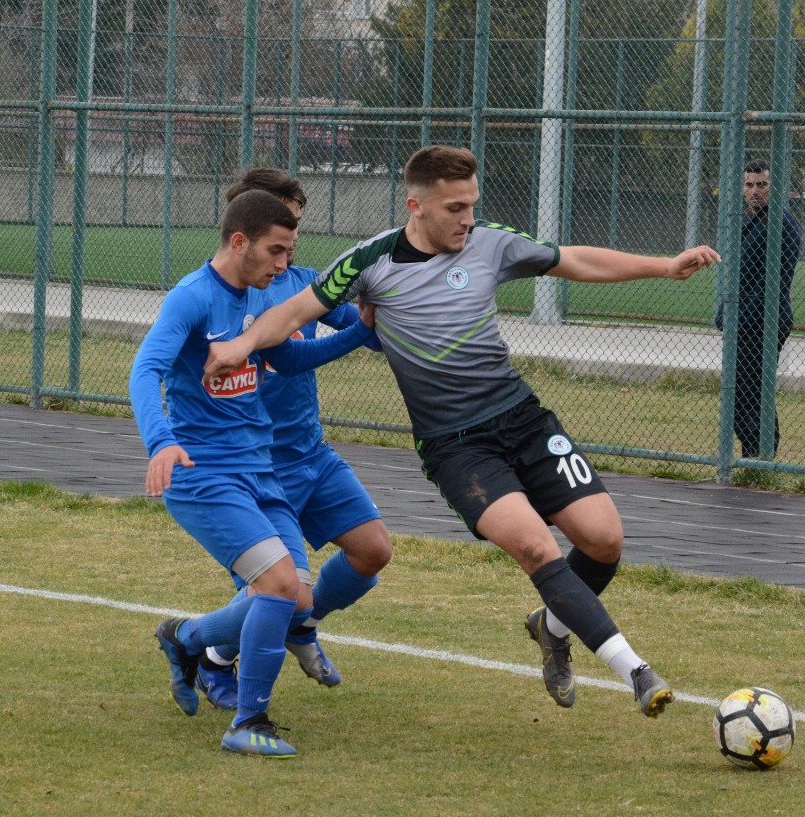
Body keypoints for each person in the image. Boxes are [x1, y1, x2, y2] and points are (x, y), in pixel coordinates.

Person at [206, 146, 721, 718]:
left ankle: (550, 627)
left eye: (472, 205)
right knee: (534, 545)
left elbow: (574, 260)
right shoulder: (370, 261)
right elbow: (295, 312)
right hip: (455, 445)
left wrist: (664, 265)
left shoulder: (491, 243)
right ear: (416, 206)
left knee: (604, 541)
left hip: (523, 420)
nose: (467, 218)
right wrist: (241, 345)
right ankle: (638, 672)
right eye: (455, 207)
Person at [127, 189, 373, 757]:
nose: (284, 264)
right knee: (279, 586)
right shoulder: (191, 299)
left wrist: (363, 330)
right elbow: (146, 370)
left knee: (301, 600)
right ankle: (246, 722)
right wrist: (161, 441)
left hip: (261, 471)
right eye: (276, 250)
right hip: (205, 475)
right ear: (239, 242)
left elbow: (288, 358)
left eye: (290, 252)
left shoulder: (260, 300)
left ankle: (187, 638)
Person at [188, 168, 392, 712]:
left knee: (372, 550)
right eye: (284, 229)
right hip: (255, 467)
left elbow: (365, 331)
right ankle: (211, 658)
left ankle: (304, 626)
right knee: (274, 586)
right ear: (250, 227)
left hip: (311, 453)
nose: (290, 245)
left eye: (296, 230)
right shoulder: (223, 295)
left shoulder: (307, 284)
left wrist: (392, 313)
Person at [716, 159, 800, 460]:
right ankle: (753, 455)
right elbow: (736, 277)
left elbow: (771, 286)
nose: (755, 191)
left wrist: (737, 319)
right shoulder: (749, 221)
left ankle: (762, 456)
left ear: (774, 188)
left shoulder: (781, 224)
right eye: (750, 185)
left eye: (762, 185)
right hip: (742, 322)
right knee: (739, 395)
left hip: (764, 323)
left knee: (752, 394)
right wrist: (725, 314)